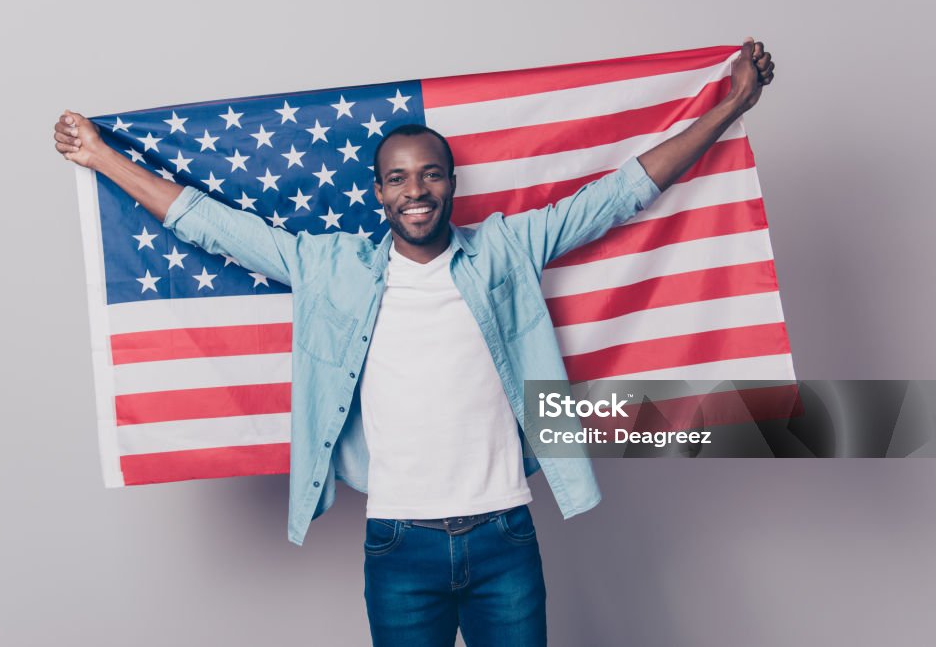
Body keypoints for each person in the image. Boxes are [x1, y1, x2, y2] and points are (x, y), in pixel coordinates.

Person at [54, 39, 774, 646]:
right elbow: (208, 223)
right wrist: (99, 156)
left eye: (430, 172)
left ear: (453, 181)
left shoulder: (506, 249)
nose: (416, 189)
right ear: (378, 193)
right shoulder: (329, 268)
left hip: (505, 535)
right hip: (398, 546)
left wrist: (731, 105)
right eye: (397, 178)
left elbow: (621, 193)